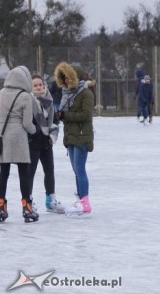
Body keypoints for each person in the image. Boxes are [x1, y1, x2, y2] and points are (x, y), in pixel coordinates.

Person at [0, 66, 39, 223]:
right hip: (19, 136)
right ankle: (27, 208)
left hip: (3, 134)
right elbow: (27, 123)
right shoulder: (26, 96)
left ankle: (1, 206)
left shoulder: (1, 92)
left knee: (4, 173)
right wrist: (35, 131)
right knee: (24, 174)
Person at [54, 62, 94, 217]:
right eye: (62, 78)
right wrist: (60, 116)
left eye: (67, 78)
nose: (64, 82)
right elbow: (67, 114)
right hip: (70, 135)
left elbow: (86, 115)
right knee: (76, 170)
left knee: (80, 170)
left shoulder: (86, 94)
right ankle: (81, 198)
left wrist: (66, 115)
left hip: (82, 136)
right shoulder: (67, 94)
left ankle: (85, 202)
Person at [27, 74, 65, 213]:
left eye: (40, 84)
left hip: (47, 142)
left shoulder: (49, 99)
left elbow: (55, 120)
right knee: (30, 173)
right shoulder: (28, 100)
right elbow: (27, 122)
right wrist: (37, 133)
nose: (38, 87)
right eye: (35, 85)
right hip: (33, 142)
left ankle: (50, 200)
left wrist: (52, 135)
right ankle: (28, 200)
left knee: (49, 171)